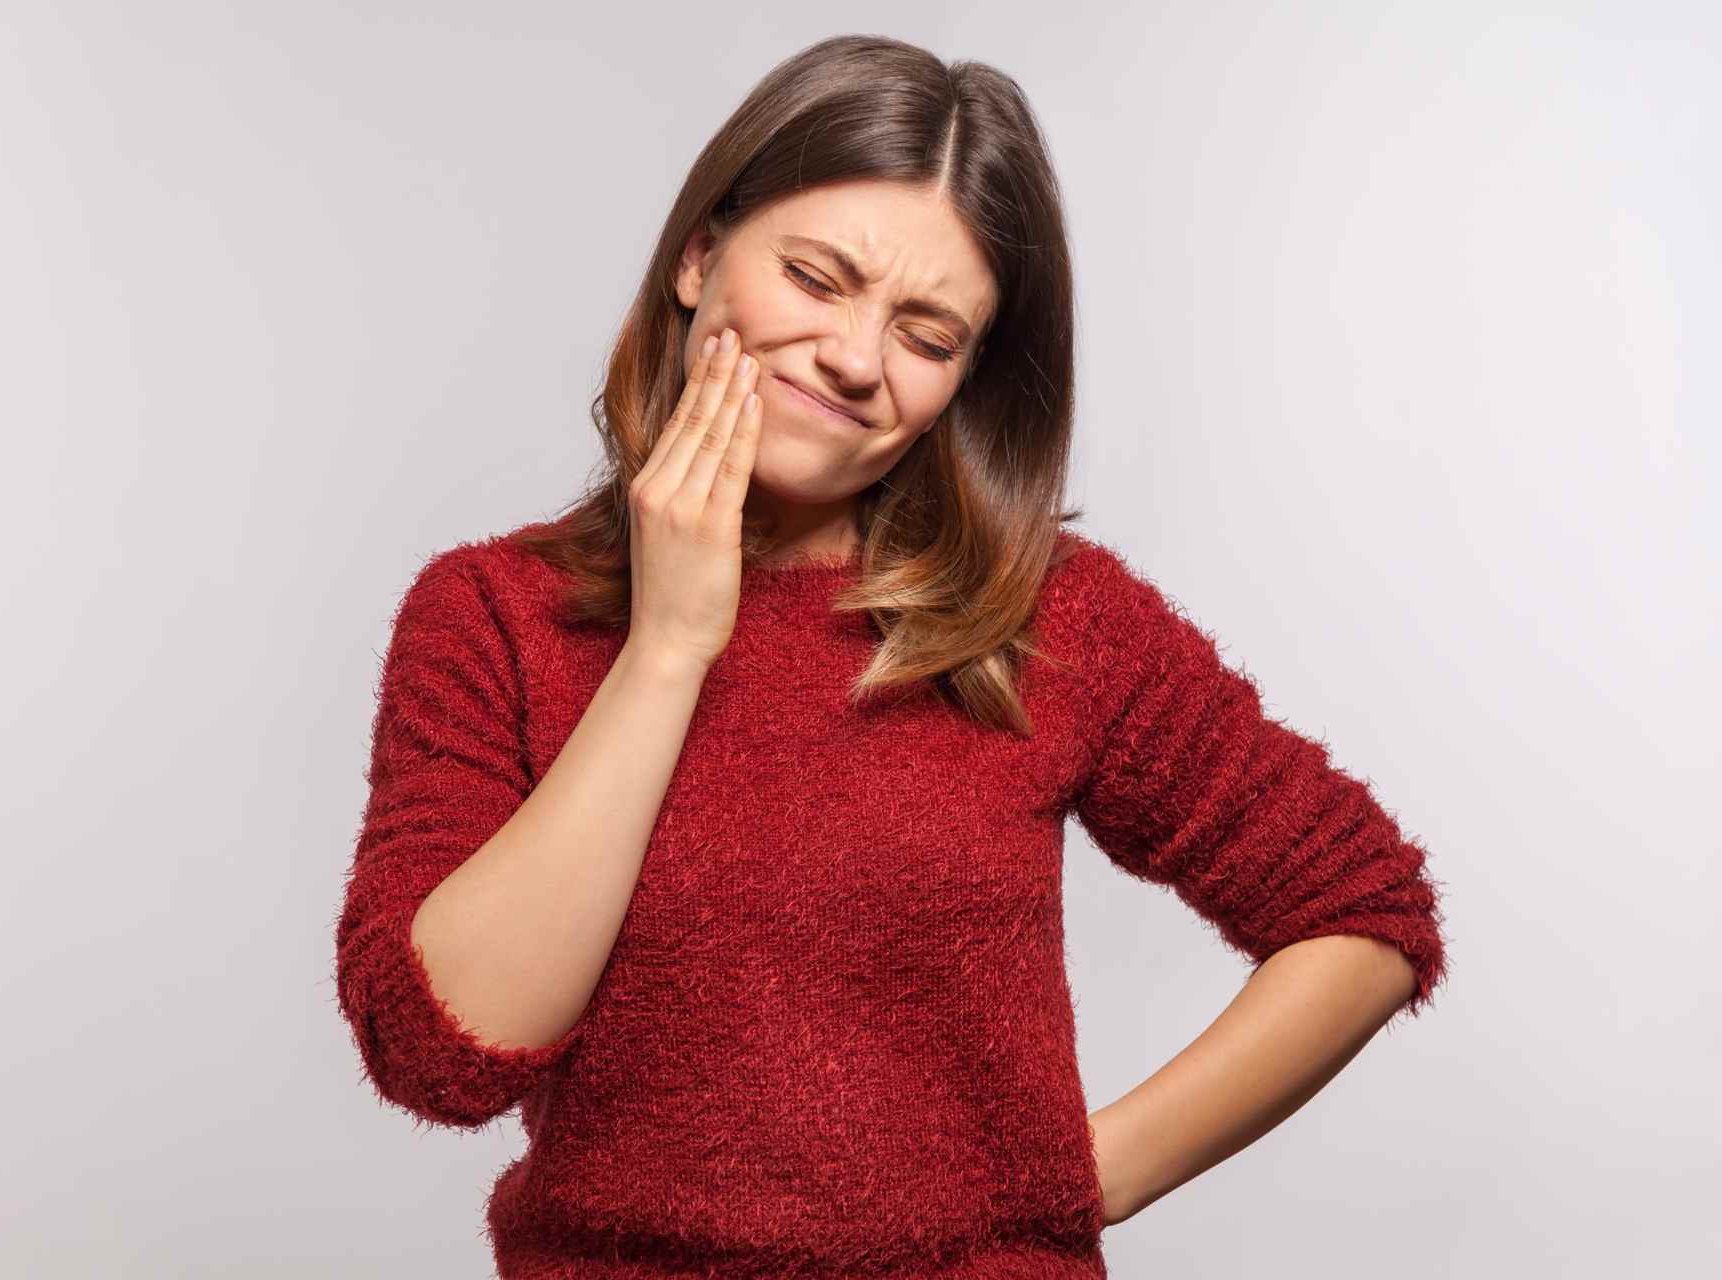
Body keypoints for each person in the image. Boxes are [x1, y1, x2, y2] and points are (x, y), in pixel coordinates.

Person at [332, 33, 1449, 1279]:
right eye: (817, 276)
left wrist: (1085, 1174)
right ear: (701, 256)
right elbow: (446, 1051)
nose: (857, 360)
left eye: (927, 335)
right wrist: (669, 647)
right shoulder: (494, 615)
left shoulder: (1045, 619)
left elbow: (1366, 911)